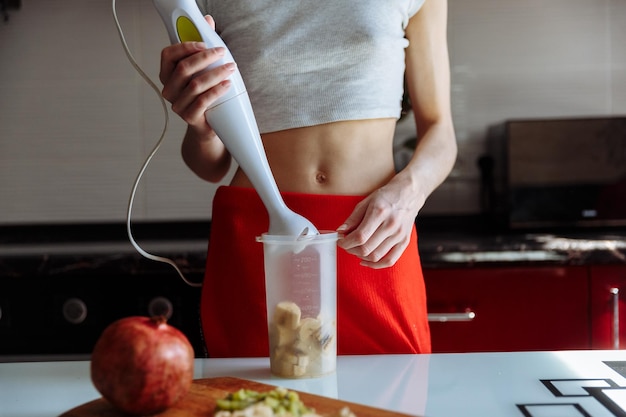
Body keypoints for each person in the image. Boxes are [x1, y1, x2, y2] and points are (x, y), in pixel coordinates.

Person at [159, 0, 457, 357]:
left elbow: (440, 131)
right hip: (262, 240)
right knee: (256, 406)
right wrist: (202, 128)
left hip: (373, 235)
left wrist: (409, 193)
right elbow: (210, 166)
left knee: (393, 405)